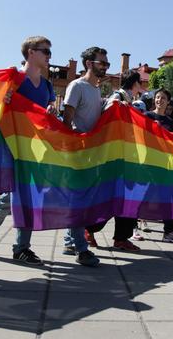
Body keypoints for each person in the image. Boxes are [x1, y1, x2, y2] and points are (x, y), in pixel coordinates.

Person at [0, 36, 58, 266]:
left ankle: (21, 247)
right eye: (45, 51)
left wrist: (50, 110)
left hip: (35, 146)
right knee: (12, 195)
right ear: (31, 53)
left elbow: (45, 112)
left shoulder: (47, 85)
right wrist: (4, 98)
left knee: (28, 196)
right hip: (11, 144)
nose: (49, 56)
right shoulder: (14, 78)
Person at [61, 46, 111, 267]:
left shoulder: (96, 89)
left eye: (107, 63)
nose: (106, 67)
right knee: (79, 200)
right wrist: (74, 144)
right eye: (103, 63)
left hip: (91, 152)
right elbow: (67, 119)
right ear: (89, 64)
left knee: (81, 199)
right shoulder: (76, 86)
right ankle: (81, 249)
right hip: (77, 151)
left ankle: (70, 241)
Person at [85, 70, 146, 251]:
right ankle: (88, 229)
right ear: (134, 84)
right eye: (139, 83)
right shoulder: (117, 99)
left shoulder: (126, 100)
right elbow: (108, 122)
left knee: (128, 198)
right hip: (115, 158)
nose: (141, 87)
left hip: (124, 158)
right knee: (112, 197)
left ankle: (121, 237)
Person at [144, 88, 173, 243]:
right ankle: (133, 228)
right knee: (141, 196)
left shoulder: (172, 123)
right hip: (148, 164)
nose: (159, 100)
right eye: (157, 97)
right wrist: (152, 128)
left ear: (168, 102)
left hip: (164, 165)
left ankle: (168, 232)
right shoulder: (147, 117)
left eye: (163, 98)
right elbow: (137, 134)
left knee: (166, 198)